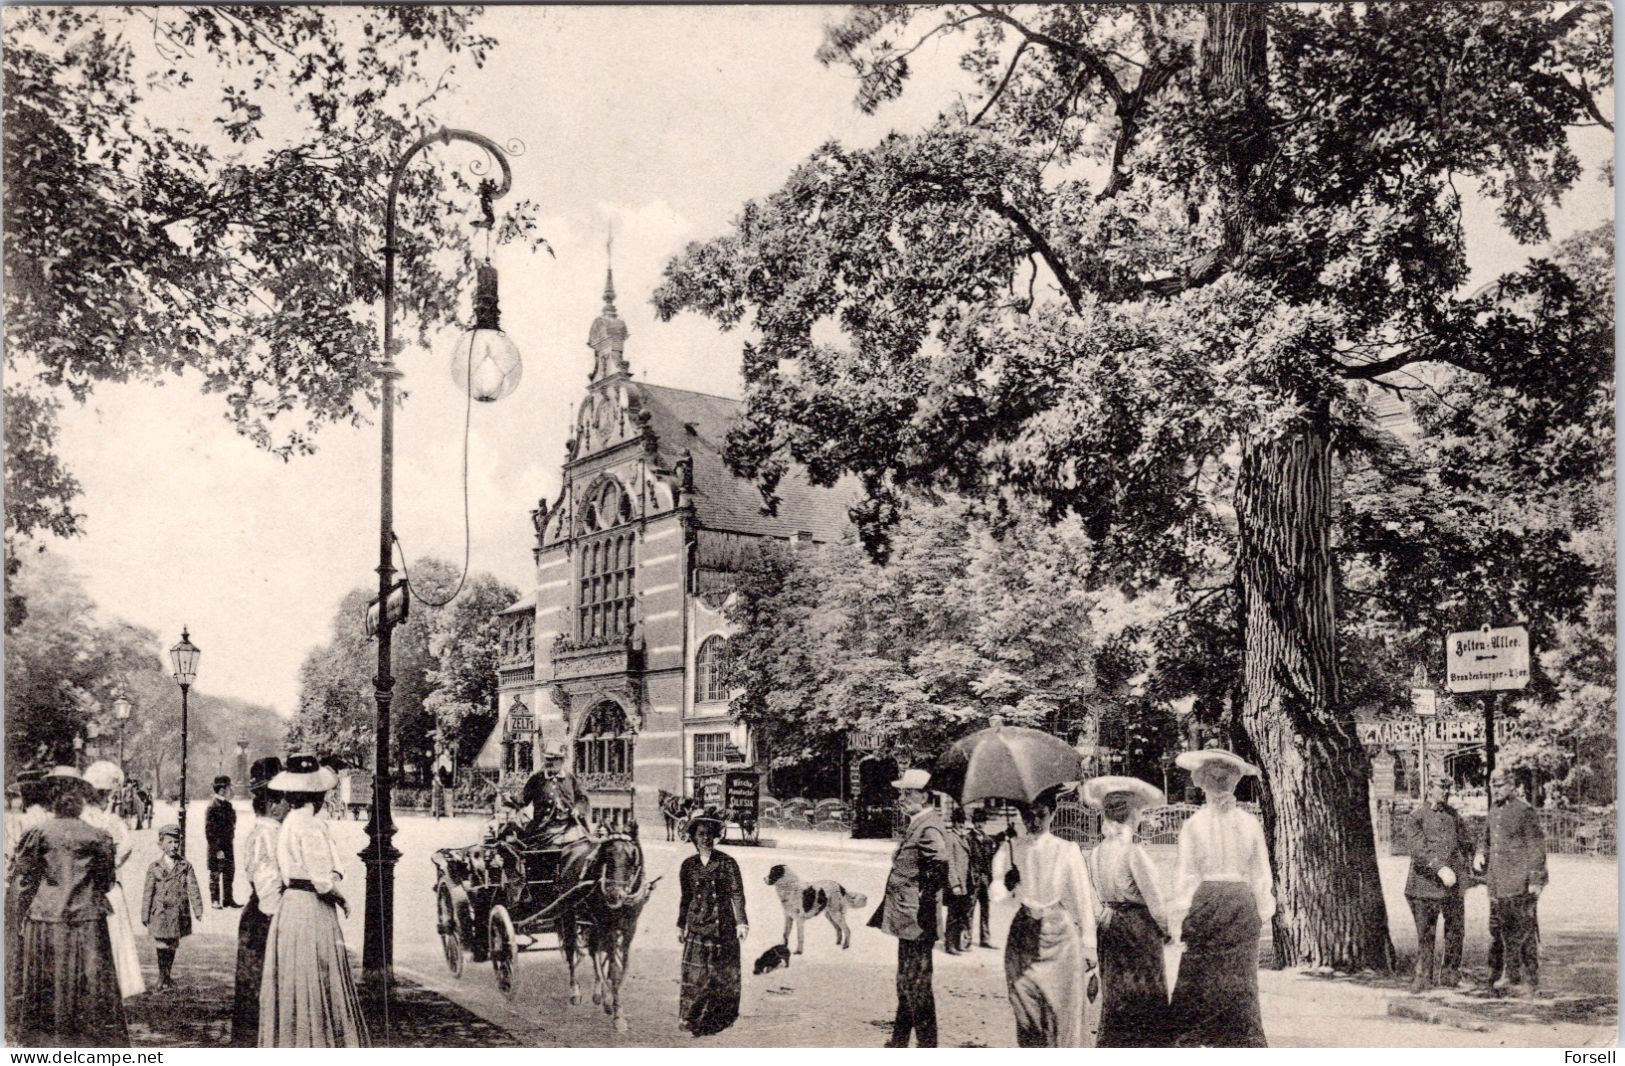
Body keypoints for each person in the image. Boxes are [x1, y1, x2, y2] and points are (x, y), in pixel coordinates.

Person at [6, 770, 128, 1047]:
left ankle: (46, 1045)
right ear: (80, 800)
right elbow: (106, 882)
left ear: (52, 800)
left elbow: (24, 881)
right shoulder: (98, 837)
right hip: (88, 920)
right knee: (90, 984)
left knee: (48, 984)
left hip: (46, 921)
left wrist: (18, 918)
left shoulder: (38, 834)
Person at [259, 754, 369, 1047]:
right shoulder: (310, 824)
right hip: (311, 906)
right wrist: (341, 897)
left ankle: (293, 1041)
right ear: (317, 793)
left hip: (290, 907)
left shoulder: (289, 821)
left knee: (294, 978)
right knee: (318, 975)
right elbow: (322, 879)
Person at [1167, 749, 1273, 1047]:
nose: (1219, 785)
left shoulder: (1200, 824)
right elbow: (1260, 872)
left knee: (1226, 973)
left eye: (1221, 779)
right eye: (1216, 780)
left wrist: (1181, 912)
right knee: (1218, 973)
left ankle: (1220, 1039)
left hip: (1218, 901)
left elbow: (1187, 876)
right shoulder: (1212, 824)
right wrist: (1262, 909)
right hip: (1229, 901)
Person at [992, 783, 1101, 1048]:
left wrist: (1089, 945)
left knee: (1061, 1014)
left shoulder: (1067, 850)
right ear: (1020, 815)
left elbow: (1083, 899)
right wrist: (1006, 883)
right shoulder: (1010, 848)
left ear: (1052, 812)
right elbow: (996, 896)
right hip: (1023, 938)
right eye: (1028, 814)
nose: (1035, 820)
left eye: (1041, 813)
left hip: (1061, 939)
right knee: (1025, 1009)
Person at [1083, 775, 1171, 1047]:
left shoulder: (1096, 853)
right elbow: (1155, 902)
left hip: (1109, 924)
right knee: (1144, 994)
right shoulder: (1134, 853)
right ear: (1132, 815)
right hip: (1137, 927)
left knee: (1116, 993)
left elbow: (1096, 896)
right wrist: (1166, 929)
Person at [867, 769, 949, 1048]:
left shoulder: (929, 826)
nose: (901, 798)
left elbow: (939, 867)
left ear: (925, 796)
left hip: (917, 920)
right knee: (907, 983)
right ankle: (899, 1041)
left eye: (908, 793)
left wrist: (925, 907)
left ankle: (927, 1047)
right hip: (909, 919)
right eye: (901, 792)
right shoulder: (918, 822)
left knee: (917, 985)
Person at [676, 807, 749, 1036]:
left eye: (709, 834)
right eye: (700, 834)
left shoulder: (728, 863)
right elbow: (685, 897)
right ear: (693, 837)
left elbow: (737, 893)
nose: (705, 838)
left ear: (715, 836)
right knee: (696, 976)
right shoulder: (688, 866)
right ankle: (690, 1018)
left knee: (719, 974)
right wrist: (680, 924)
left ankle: (717, 1018)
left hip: (722, 927)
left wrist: (741, 922)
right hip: (697, 926)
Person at [1475, 768, 1548, 997]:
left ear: (1511, 785)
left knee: (1522, 932)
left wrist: (1535, 878)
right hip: (1497, 882)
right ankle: (1499, 974)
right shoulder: (1494, 810)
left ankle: (1527, 978)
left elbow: (1536, 846)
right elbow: (1485, 838)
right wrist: (1479, 852)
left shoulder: (1524, 810)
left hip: (1519, 882)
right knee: (1498, 929)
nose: (1495, 790)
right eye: (1492, 786)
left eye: (1499, 786)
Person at [231, 757, 288, 1047]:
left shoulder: (266, 832)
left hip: (261, 917)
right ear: (273, 804)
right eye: (285, 800)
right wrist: (282, 920)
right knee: (261, 985)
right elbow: (268, 889)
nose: (289, 806)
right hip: (265, 920)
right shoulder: (268, 835)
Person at [80, 761, 145, 999]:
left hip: (83, 886)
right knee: (112, 937)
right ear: (106, 795)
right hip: (106, 887)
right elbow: (126, 847)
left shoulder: (80, 818)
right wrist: (112, 864)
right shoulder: (112, 821)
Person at [1403, 774, 1471, 993]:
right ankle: (1423, 978)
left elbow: (1466, 842)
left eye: (1448, 788)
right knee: (1426, 933)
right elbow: (1417, 850)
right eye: (1442, 788)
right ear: (1430, 788)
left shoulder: (1454, 816)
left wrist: (1472, 858)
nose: (1446, 792)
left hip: (1452, 887)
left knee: (1455, 931)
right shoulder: (1417, 817)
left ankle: (1451, 975)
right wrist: (1440, 868)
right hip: (1424, 885)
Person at [141, 823, 204, 991]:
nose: (173, 846)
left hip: (177, 913)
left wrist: (198, 909)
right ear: (160, 844)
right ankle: (162, 976)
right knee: (161, 943)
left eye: (176, 842)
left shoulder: (185, 866)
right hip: (160, 912)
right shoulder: (154, 867)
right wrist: (145, 914)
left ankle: (167, 976)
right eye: (169, 842)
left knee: (172, 944)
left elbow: (193, 888)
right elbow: (148, 891)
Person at [942, 806, 974, 954]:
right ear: (953, 822)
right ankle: (950, 945)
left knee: (962, 914)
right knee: (953, 915)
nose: (961, 824)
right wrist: (954, 884)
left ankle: (958, 943)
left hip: (966, 882)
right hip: (956, 884)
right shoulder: (950, 838)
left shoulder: (963, 838)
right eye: (958, 822)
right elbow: (949, 863)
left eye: (963, 821)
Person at [206, 774, 240, 908]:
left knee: (229, 871)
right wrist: (217, 849)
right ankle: (215, 900)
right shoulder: (213, 806)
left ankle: (228, 899)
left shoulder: (227, 804)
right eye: (229, 787)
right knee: (215, 872)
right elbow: (210, 831)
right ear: (222, 789)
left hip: (228, 844)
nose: (231, 790)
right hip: (217, 846)